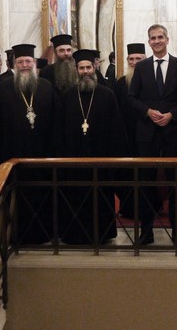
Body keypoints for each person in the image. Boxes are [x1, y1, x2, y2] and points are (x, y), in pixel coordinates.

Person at [0, 43, 61, 244]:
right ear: (14, 64)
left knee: (42, 196)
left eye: (28, 61)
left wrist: (54, 153)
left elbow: (57, 123)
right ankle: (15, 236)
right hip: (13, 156)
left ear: (34, 63)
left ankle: (45, 234)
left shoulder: (46, 87)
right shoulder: (3, 88)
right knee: (15, 199)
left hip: (43, 156)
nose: (24, 65)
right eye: (20, 62)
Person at [128, 24, 177, 245]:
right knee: (145, 184)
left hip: (174, 132)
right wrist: (147, 111)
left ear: (167, 39)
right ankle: (146, 233)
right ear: (149, 42)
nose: (156, 41)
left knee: (176, 184)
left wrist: (172, 115)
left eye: (160, 37)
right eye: (153, 38)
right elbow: (131, 97)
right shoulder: (141, 67)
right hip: (147, 133)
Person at [60, 49, 128, 245]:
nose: (85, 72)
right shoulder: (67, 96)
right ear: (76, 70)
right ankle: (74, 235)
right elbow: (60, 130)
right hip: (74, 162)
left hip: (101, 160)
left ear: (94, 68)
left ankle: (102, 234)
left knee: (100, 199)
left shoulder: (107, 95)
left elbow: (116, 130)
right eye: (82, 68)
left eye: (88, 67)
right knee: (75, 199)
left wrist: (115, 160)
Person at [114, 43, 147, 218]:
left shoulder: (151, 81)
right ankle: (128, 208)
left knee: (145, 173)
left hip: (147, 135)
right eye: (131, 59)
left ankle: (148, 208)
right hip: (126, 136)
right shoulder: (121, 83)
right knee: (127, 174)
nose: (134, 62)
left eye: (138, 59)